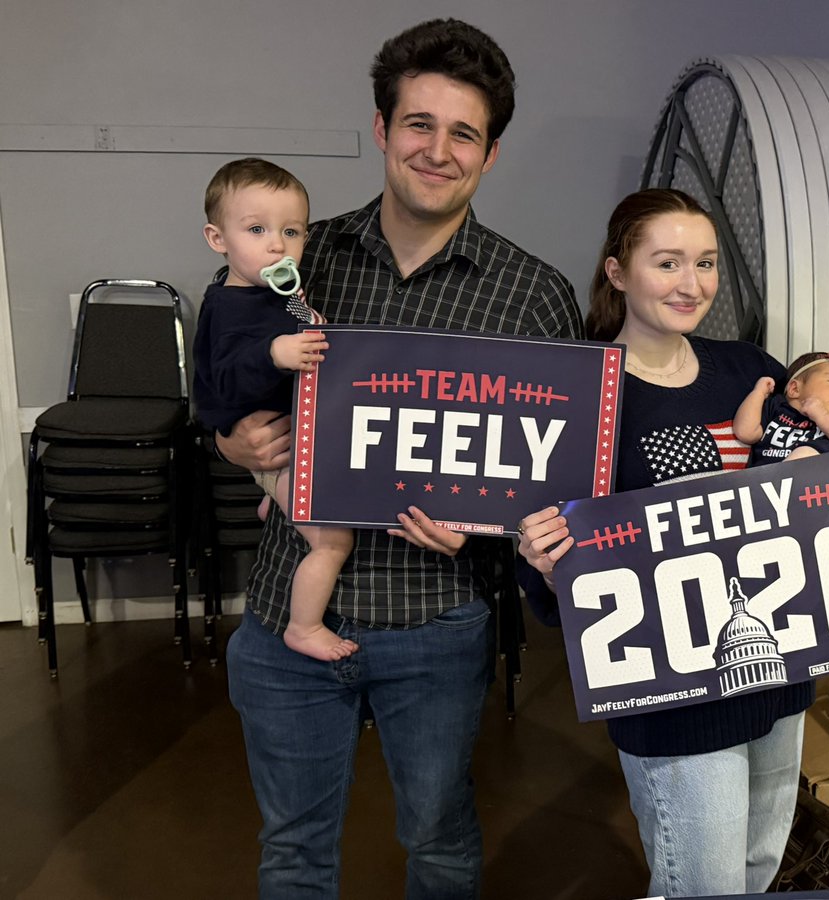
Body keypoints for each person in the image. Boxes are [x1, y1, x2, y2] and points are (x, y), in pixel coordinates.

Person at [213, 19, 582, 900]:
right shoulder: (294, 260)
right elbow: (222, 379)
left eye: (465, 133)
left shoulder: (533, 294)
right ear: (383, 130)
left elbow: (557, 500)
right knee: (294, 850)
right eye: (419, 123)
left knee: (440, 841)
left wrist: (484, 541)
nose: (438, 149)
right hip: (287, 617)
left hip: (438, 625)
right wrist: (229, 437)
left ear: (490, 155)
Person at [516, 188, 811, 898]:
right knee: (702, 885)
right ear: (618, 271)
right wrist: (548, 564)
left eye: (706, 263)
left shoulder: (749, 370)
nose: (692, 283)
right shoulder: (577, 395)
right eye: (668, 262)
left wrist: (813, 471)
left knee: (756, 871)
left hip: (780, 672)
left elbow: (803, 488)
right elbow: (555, 581)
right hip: (671, 695)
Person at [195, 158, 358, 663]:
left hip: (305, 437)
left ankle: (274, 502)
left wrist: (309, 322)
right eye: (257, 229)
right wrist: (274, 354)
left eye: (292, 231)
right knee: (333, 539)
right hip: (280, 453)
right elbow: (219, 382)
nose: (277, 245)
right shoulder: (225, 306)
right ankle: (303, 626)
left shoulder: (279, 292)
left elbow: (302, 321)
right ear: (217, 239)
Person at [733, 350, 829, 465]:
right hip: (763, 487)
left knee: (806, 453)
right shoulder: (776, 406)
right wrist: (758, 393)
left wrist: (822, 416)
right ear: (795, 389)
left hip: (816, 491)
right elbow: (745, 432)